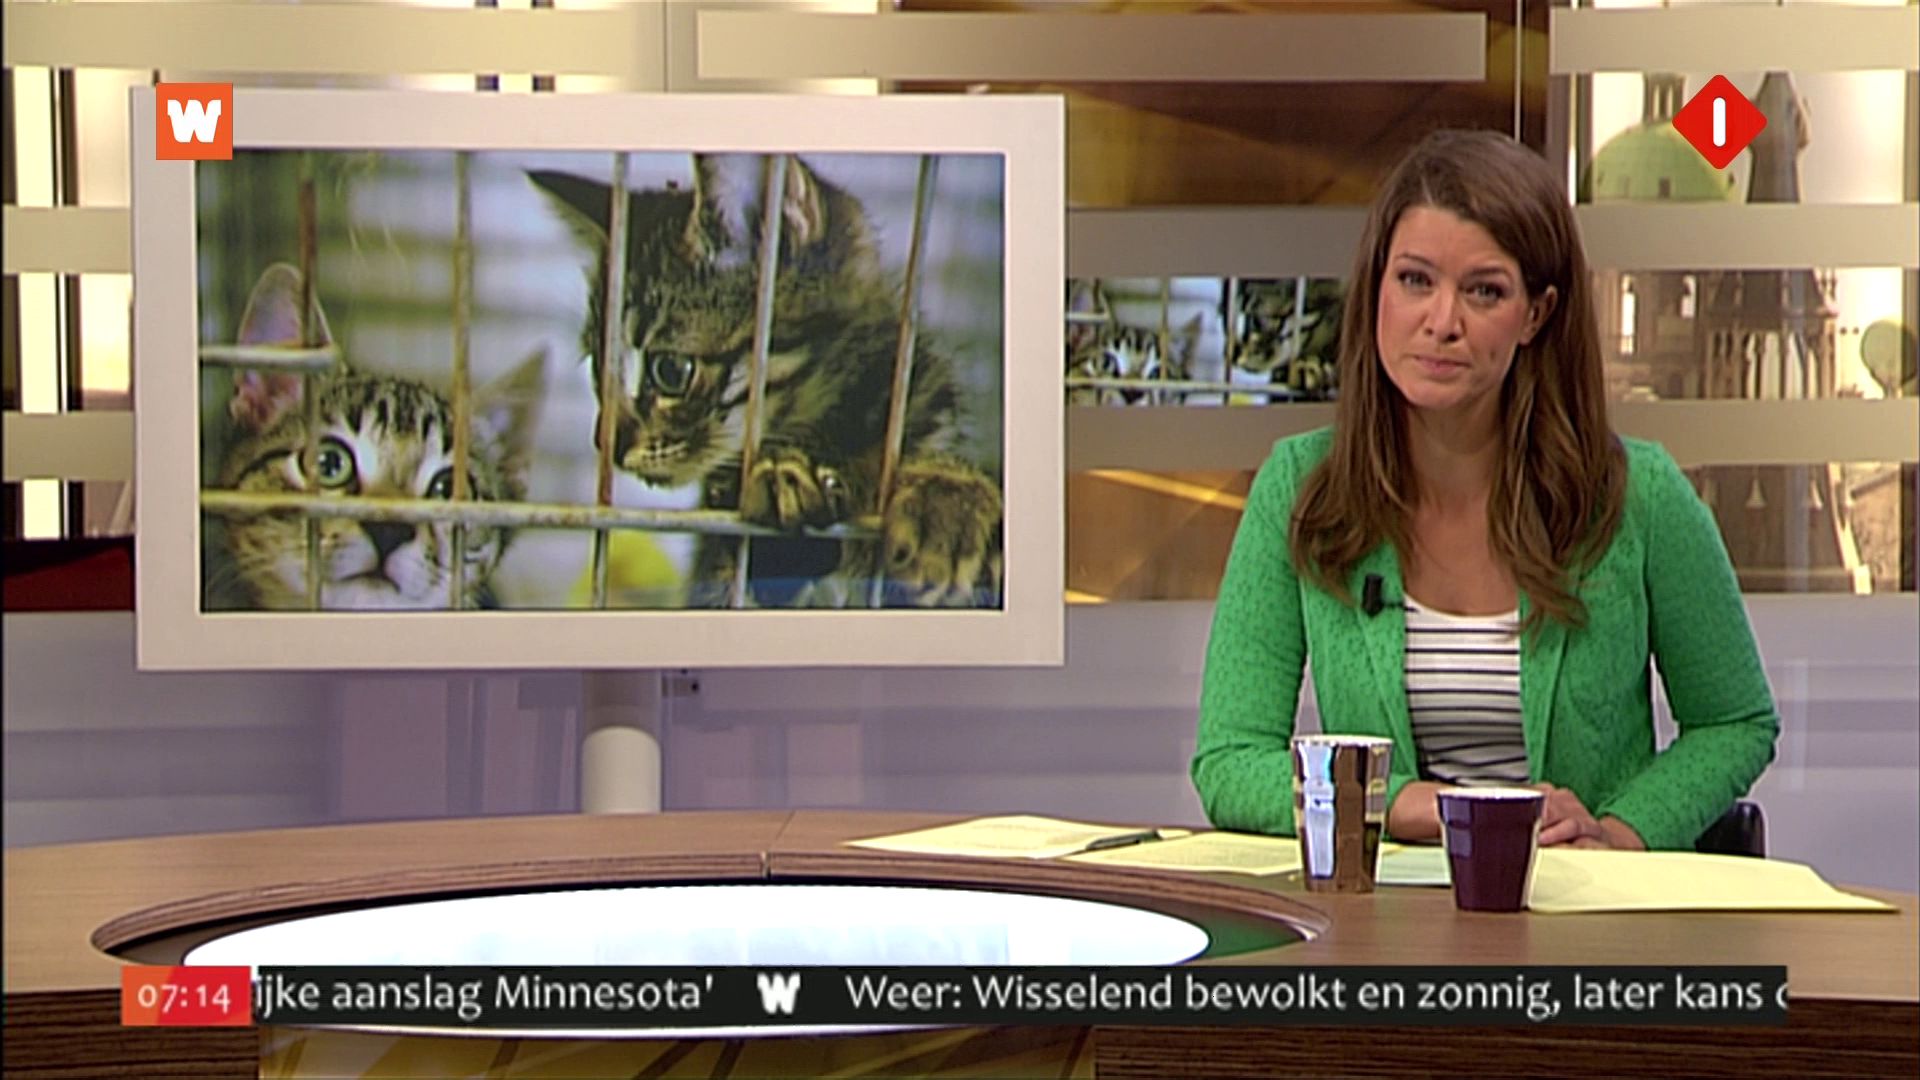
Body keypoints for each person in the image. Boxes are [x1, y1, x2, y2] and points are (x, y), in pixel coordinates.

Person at [1191, 129, 1779, 851]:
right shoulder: (1301, 488)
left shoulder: (1637, 496)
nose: (1442, 323)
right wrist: (1420, 807)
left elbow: (1733, 721)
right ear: (1376, 288)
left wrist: (1618, 835)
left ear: (1537, 313)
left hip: (1582, 905)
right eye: (1415, 281)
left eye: (1484, 291)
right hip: (1390, 910)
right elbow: (1230, 762)